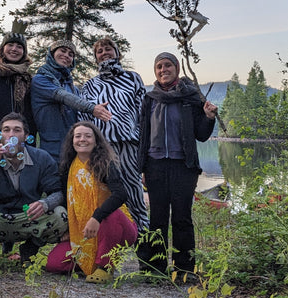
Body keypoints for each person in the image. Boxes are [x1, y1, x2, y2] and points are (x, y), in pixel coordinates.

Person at [138, 52, 218, 275]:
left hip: (184, 166)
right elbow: (144, 134)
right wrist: (142, 167)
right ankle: (156, 268)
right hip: (155, 165)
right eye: (159, 67)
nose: (163, 70)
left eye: (168, 66)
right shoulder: (150, 98)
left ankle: (184, 269)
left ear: (177, 68)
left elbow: (201, 135)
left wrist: (209, 117)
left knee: (182, 217)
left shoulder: (190, 97)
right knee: (158, 218)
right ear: (155, 71)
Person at [0, 113, 68, 263]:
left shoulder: (41, 158)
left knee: (60, 215)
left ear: (26, 136)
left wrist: (45, 204)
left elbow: (57, 192)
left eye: (17, 130)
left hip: (27, 217)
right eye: (6, 130)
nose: (11, 135)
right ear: (0, 136)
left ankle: (30, 248)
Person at [46, 122, 138, 284]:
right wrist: (68, 229)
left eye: (88, 136)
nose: (83, 140)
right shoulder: (68, 167)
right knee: (53, 264)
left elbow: (121, 195)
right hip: (84, 231)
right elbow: (68, 200)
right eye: (78, 136)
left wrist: (96, 217)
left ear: (96, 141)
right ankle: (88, 262)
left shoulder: (105, 164)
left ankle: (105, 267)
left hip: (116, 226)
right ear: (71, 141)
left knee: (111, 215)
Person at [79, 37, 149, 233]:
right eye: (99, 51)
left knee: (134, 193)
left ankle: (144, 241)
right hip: (102, 149)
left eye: (108, 49)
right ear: (95, 58)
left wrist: (144, 143)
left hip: (128, 145)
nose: (104, 53)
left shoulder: (133, 78)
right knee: (103, 196)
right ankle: (103, 249)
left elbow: (143, 112)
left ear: (117, 52)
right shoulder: (90, 85)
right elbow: (83, 116)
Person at [31, 39, 112, 161]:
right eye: (62, 51)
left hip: (73, 148)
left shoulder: (71, 86)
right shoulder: (40, 80)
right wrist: (92, 108)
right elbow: (62, 96)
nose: (66, 56)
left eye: (71, 54)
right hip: (51, 150)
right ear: (52, 54)